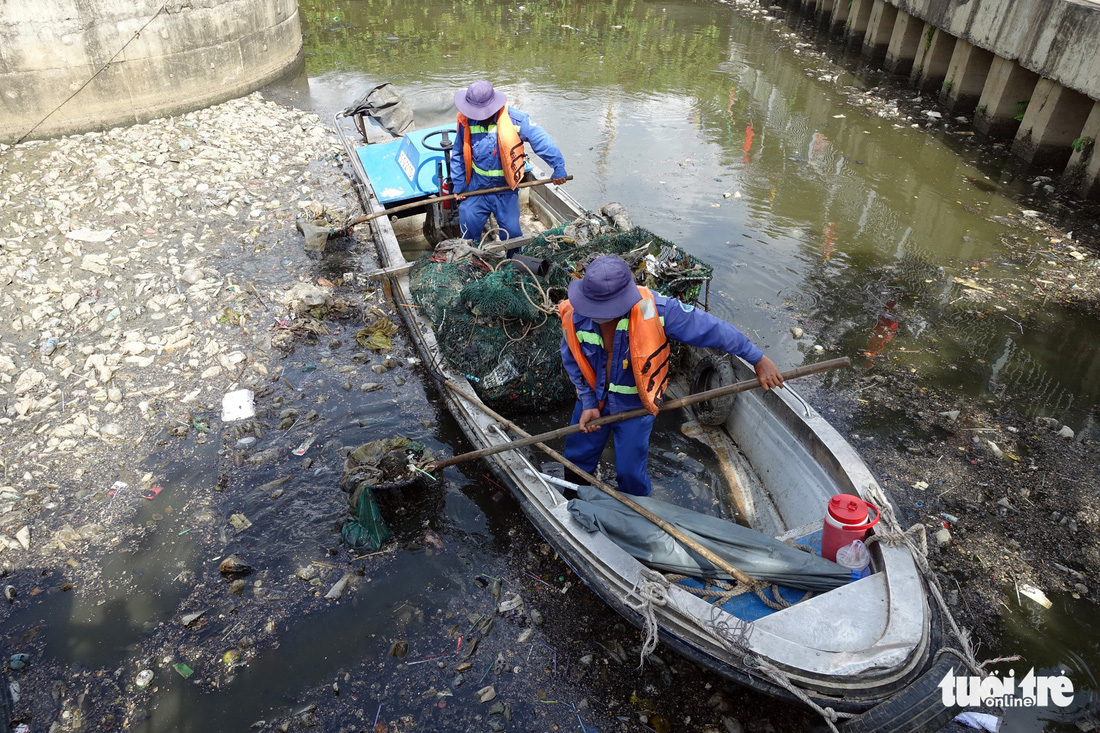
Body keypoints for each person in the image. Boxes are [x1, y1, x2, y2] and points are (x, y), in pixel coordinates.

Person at [559, 255, 784, 497]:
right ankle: (572, 498)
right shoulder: (575, 315)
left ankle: (634, 514)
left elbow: (713, 329)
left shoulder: (658, 310)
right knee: (577, 456)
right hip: (593, 401)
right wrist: (589, 401)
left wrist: (758, 359)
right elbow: (572, 359)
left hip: (636, 406)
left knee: (631, 472)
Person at [451, 81, 568, 253]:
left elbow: (542, 142)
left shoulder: (517, 119)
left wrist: (558, 166)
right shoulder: (466, 121)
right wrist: (459, 186)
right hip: (476, 187)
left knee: (513, 235)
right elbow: (458, 154)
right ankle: (472, 265)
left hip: (505, 188)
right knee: (468, 231)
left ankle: (514, 266)